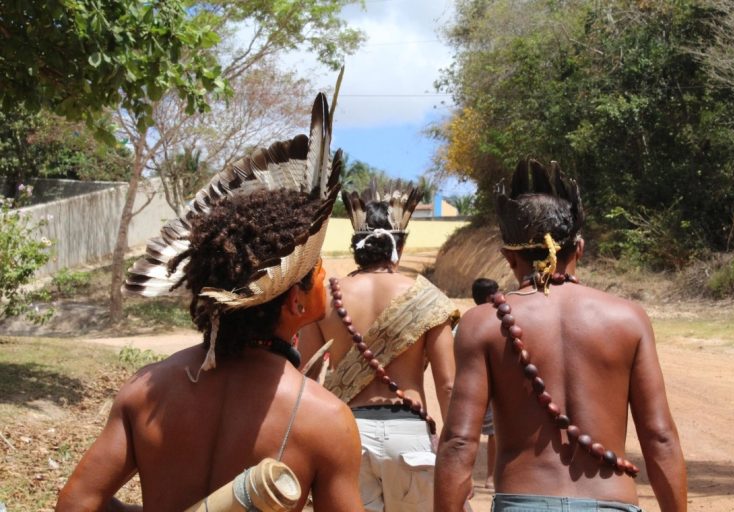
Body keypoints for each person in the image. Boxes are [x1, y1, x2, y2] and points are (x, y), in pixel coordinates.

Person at [55, 94, 363, 512]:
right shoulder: (326, 419)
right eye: (319, 270)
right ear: (294, 301)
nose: (329, 276)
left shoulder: (147, 390)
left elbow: (76, 503)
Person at [435, 159, 686, 511]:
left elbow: (459, 442)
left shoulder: (484, 323)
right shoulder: (628, 319)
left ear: (509, 257)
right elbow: (660, 437)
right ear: (578, 249)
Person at [298, 181, 459, 512]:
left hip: (346, 435)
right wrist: (456, 450)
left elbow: (306, 375)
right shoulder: (428, 298)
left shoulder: (326, 298)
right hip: (409, 435)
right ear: (397, 248)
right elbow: (448, 384)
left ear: (357, 247)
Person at [470, 277, 499, 490]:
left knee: (467, 433)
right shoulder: (497, 322)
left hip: (469, 386)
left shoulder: (466, 322)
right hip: (491, 386)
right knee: (494, 433)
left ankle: (468, 477)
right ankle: (490, 477)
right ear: (490, 297)